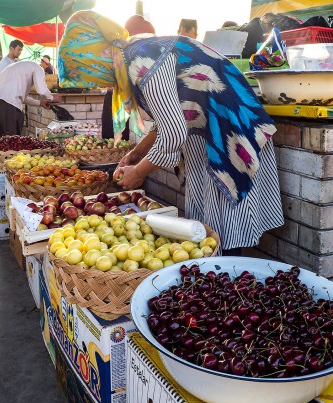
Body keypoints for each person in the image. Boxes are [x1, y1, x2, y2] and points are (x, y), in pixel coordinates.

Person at [59, 12, 284, 254]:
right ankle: (217, 273)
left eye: (87, 73)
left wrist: (138, 173)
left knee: (228, 223)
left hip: (228, 130)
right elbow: (168, 118)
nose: (97, 84)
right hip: (207, 131)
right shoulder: (135, 53)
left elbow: (173, 133)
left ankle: (228, 277)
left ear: (93, 58)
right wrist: (137, 152)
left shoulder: (141, 60)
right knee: (211, 227)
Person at [0, 61, 61, 136]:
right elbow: (41, 89)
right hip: (7, 102)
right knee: (12, 138)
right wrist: (51, 97)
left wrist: (40, 103)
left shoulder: (22, 68)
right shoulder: (38, 68)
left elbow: (21, 97)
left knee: (2, 137)